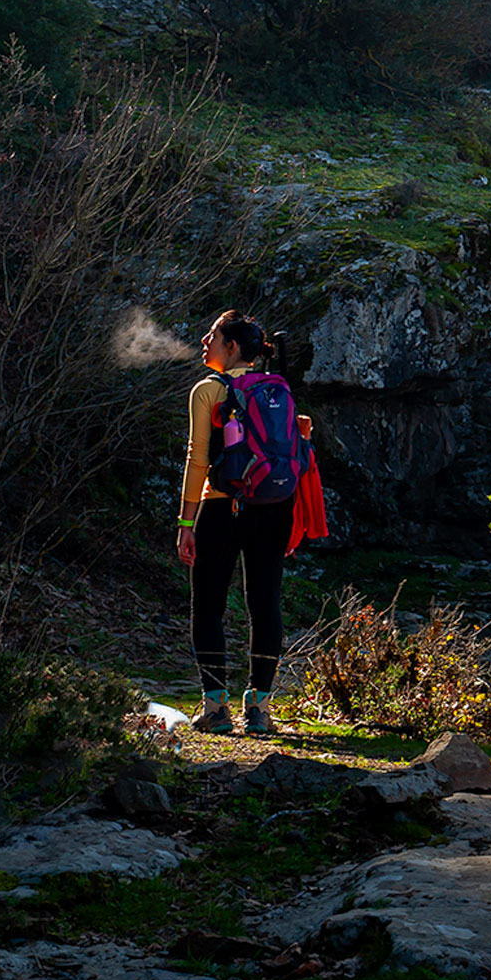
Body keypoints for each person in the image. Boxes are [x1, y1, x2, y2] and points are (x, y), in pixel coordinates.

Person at [175, 310, 311, 736]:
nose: (204, 340)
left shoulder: (208, 391)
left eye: (213, 335)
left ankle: (216, 708)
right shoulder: (276, 388)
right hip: (274, 506)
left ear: (231, 346)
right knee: (265, 604)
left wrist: (185, 521)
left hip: (221, 506)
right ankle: (260, 709)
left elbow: (198, 460)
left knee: (209, 606)